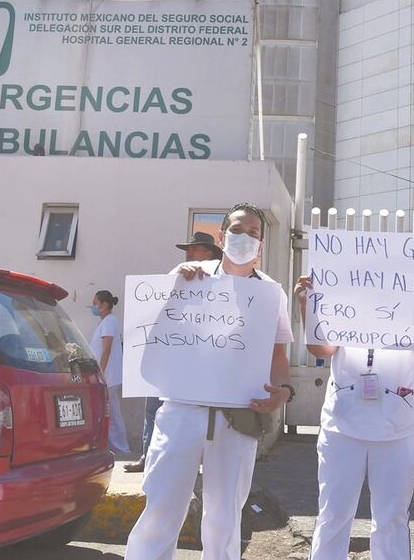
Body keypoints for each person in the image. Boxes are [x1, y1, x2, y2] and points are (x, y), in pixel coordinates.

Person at [126, 203, 293, 560]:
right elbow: (150, 326)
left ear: (261, 244)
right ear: (221, 236)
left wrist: (284, 391)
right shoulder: (190, 275)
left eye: (253, 233)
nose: (245, 237)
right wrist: (174, 282)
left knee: (224, 516)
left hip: (237, 417)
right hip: (181, 410)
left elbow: (279, 356)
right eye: (237, 229)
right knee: (162, 506)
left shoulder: (269, 293)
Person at [293, 272, 414, 560]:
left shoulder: (410, 307)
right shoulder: (343, 301)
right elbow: (320, 349)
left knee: (391, 520)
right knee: (333, 515)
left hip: (397, 430)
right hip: (342, 427)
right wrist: (307, 306)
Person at [125, 231, 225, 474]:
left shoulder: (219, 282)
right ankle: (147, 457)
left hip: (194, 363)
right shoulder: (177, 276)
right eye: (187, 250)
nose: (189, 253)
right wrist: (178, 271)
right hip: (166, 357)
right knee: (152, 410)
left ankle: (191, 462)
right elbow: (151, 305)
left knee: (194, 414)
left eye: (195, 249)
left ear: (209, 254)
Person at [91, 290, 131, 455]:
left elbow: (106, 350)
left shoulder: (109, 322)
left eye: (95, 303)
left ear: (104, 304)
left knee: (113, 414)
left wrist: (100, 372)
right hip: (107, 376)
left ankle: (122, 448)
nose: (93, 306)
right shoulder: (106, 322)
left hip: (108, 377)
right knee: (110, 413)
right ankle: (114, 446)